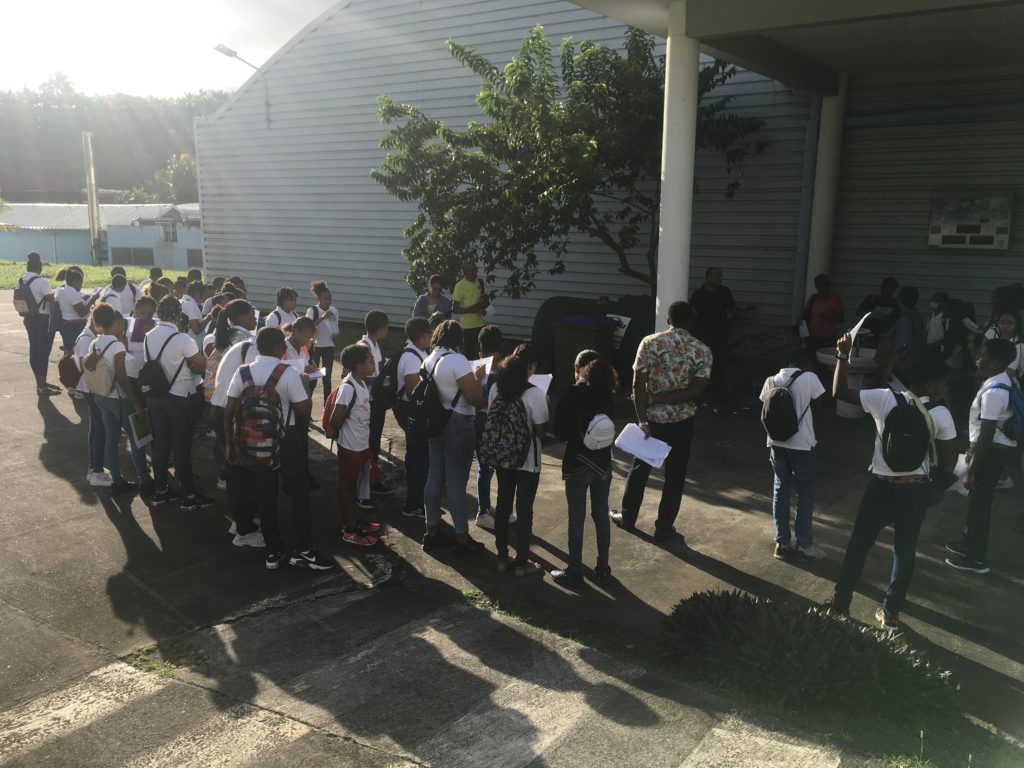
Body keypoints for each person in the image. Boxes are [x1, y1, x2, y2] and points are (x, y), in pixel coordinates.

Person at [830, 335, 957, 630]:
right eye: (944, 385)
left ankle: (840, 605)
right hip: (914, 491)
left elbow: (839, 392)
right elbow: (949, 459)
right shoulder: (941, 414)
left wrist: (842, 355)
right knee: (904, 552)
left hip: (880, 488)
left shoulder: (884, 398)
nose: (945, 390)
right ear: (931, 385)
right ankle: (890, 613)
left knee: (858, 546)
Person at [225, 327, 334, 569]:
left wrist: (229, 443)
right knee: (299, 492)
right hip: (286, 437)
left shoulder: (242, 372)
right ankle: (304, 549)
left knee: (265, 495)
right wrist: (304, 386)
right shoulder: (287, 372)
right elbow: (303, 410)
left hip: (254, 440)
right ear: (279, 349)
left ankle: (273, 551)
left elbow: (229, 411)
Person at [611, 301, 711, 546]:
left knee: (640, 469)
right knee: (675, 475)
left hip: (653, 421)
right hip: (682, 421)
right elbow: (696, 391)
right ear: (690, 322)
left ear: (668, 319)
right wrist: (663, 400)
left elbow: (637, 385)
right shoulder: (702, 350)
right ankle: (664, 528)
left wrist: (642, 419)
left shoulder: (649, 343)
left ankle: (627, 518)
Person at [945, 337, 1018, 574]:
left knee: (979, 504)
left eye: (983, 354)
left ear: (994, 361)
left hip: (989, 454)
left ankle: (975, 558)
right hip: (994, 452)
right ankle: (967, 544)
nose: (978, 357)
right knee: (977, 502)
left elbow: (987, 435)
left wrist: (971, 471)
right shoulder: (1002, 381)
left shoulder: (994, 392)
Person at [550, 350, 616, 589]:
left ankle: (575, 571)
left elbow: (559, 431)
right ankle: (603, 568)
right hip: (603, 463)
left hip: (577, 463)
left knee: (576, 518)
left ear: (578, 369)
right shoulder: (607, 393)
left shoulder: (573, 393)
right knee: (601, 514)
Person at [422, 320, 488, 555]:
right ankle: (461, 537)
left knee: (434, 477)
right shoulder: (458, 360)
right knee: (457, 484)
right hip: (459, 423)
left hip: (436, 422)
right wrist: (478, 378)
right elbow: (475, 399)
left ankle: (431, 531)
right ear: (458, 339)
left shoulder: (429, 359)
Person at [759, 348, 827, 561]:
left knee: (780, 490)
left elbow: (766, 407)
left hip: (776, 443)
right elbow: (820, 407)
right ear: (806, 363)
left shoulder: (770, 380)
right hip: (802, 444)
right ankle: (804, 545)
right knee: (804, 493)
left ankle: (782, 543)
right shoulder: (810, 377)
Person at [145, 296, 212, 511]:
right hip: (180, 396)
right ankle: (189, 495)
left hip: (155, 397)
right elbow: (200, 367)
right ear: (177, 315)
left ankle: (161, 491)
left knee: (160, 445)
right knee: (181, 448)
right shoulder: (183, 339)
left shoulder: (148, 335)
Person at [488, 344, 548, 576]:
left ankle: (502, 558)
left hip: (503, 457)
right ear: (530, 367)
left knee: (503, 505)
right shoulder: (534, 393)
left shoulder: (496, 388)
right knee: (524, 511)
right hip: (527, 461)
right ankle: (522, 563)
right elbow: (541, 432)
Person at [82, 302, 149, 494]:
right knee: (137, 438)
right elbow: (122, 377)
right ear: (117, 322)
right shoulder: (117, 345)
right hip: (119, 398)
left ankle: (117, 481)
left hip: (102, 395)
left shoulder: (95, 342)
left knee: (111, 438)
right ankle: (144, 479)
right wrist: (136, 403)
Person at [328, 343, 384, 548]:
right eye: (370, 361)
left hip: (360, 444)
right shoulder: (348, 387)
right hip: (349, 446)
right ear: (359, 366)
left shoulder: (361, 383)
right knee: (347, 485)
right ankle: (350, 530)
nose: (373, 363)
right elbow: (335, 419)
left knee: (355, 484)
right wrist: (349, 432)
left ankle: (354, 519)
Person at [206, 299, 257, 490]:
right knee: (236, 453)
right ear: (243, 318)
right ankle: (237, 491)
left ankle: (224, 478)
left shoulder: (225, 335)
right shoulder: (244, 342)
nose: (255, 319)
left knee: (223, 443)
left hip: (216, 401)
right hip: (232, 405)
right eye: (252, 315)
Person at [690, 267, 753, 412]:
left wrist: (745, 313)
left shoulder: (724, 292)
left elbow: (733, 309)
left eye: (721, 276)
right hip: (703, 336)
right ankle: (702, 394)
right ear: (708, 277)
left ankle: (720, 396)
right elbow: (692, 314)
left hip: (721, 335)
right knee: (703, 365)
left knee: (720, 365)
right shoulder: (698, 294)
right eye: (717, 276)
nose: (720, 278)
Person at [394, 316, 430, 519]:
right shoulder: (411, 358)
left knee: (419, 456)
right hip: (411, 412)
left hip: (414, 411)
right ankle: (413, 504)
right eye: (430, 334)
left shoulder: (419, 352)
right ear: (423, 336)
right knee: (418, 458)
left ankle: (418, 500)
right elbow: (412, 392)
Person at [473, 324, 504, 530]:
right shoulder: (489, 372)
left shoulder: (476, 367)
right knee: (487, 468)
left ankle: (489, 508)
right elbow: (477, 401)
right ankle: (483, 511)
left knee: (489, 468)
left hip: (485, 421)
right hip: (484, 421)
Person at [73, 319, 110, 487]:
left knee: (96, 428)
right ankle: (97, 472)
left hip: (89, 387)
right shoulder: (86, 339)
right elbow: (85, 366)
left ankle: (94, 467)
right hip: (91, 387)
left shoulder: (88, 336)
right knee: (100, 429)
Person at [360, 310, 392, 498]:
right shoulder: (365, 347)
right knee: (371, 441)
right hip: (370, 400)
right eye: (386, 327)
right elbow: (363, 376)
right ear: (380, 329)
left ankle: (372, 477)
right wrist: (382, 380)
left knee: (375, 439)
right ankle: (369, 482)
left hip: (376, 398)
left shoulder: (375, 345)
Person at [17, 252, 59, 395]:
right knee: (43, 353)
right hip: (43, 320)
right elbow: (52, 300)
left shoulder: (20, 281)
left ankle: (40, 382)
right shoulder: (41, 282)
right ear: (39, 268)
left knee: (34, 351)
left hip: (28, 318)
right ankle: (42, 387)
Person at [307, 281, 339, 405]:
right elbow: (308, 327)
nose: (328, 301)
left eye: (330, 299)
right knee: (313, 378)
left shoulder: (333, 310)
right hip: (315, 347)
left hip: (329, 346)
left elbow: (335, 331)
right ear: (319, 299)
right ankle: (307, 404)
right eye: (325, 299)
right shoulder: (312, 310)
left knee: (327, 378)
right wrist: (323, 317)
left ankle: (327, 406)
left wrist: (334, 327)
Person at [54, 266, 99, 350]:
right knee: (76, 350)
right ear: (75, 282)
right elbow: (82, 313)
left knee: (69, 350)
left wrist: (83, 299)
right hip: (74, 326)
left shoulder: (61, 290)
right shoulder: (72, 293)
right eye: (81, 283)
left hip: (65, 324)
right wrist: (93, 299)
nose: (81, 286)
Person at [451, 262, 489, 359]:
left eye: (476, 269)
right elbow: (455, 309)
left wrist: (483, 305)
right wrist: (471, 309)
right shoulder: (460, 285)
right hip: (467, 327)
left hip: (481, 324)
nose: (476, 271)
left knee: (484, 353)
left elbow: (486, 302)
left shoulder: (480, 282)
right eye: (473, 269)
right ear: (466, 272)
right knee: (468, 354)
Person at [801, 274, 844, 352]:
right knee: (812, 357)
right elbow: (804, 317)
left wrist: (827, 317)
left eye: (827, 284)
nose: (825, 287)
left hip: (828, 337)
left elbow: (841, 318)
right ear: (816, 286)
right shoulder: (812, 298)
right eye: (822, 284)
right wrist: (804, 336)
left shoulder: (835, 299)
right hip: (813, 337)